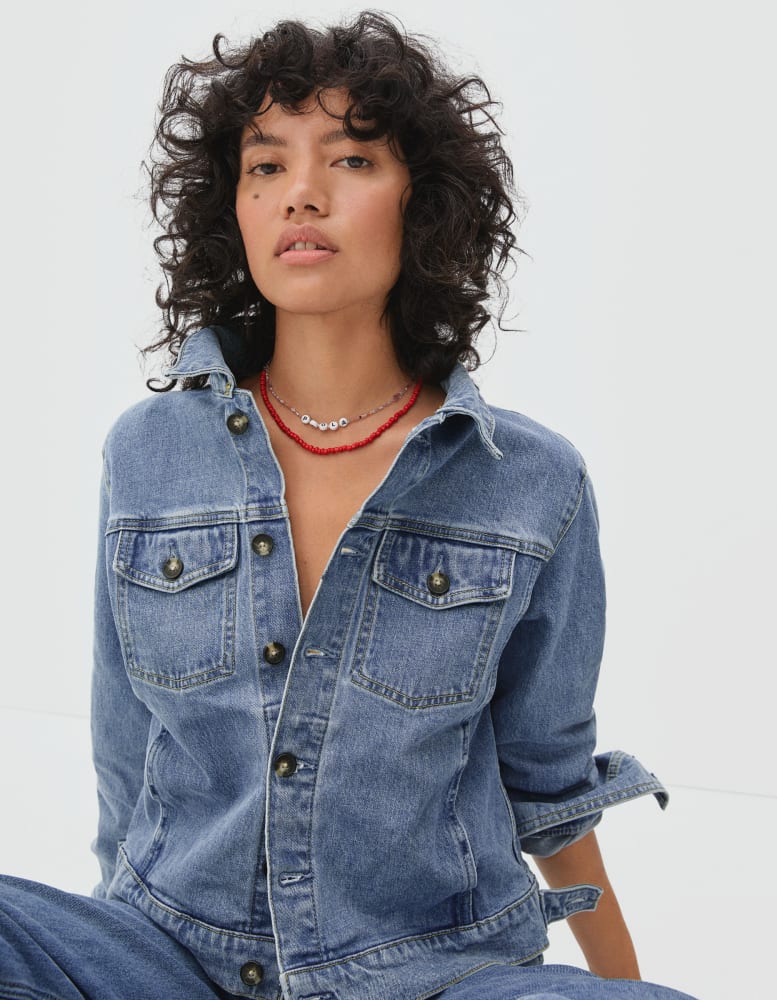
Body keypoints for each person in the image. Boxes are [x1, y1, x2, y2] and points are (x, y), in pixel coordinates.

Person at [0, 12, 696, 1000]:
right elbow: (126, 763)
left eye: (352, 159)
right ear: (232, 209)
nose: (303, 194)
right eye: (266, 166)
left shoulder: (531, 480)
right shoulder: (148, 452)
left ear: (423, 203)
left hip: (429, 972)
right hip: (171, 956)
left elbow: (547, 782)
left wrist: (627, 985)